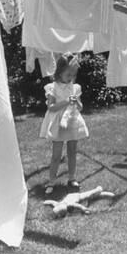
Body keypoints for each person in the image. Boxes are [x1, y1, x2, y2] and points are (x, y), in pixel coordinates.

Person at [40, 53, 89, 195]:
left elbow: (80, 108)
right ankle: (51, 181)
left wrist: (76, 101)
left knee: (72, 151)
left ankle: (72, 177)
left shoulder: (75, 87)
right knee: (56, 154)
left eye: (73, 75)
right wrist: (66, 101)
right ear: (59, 72)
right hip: (58, 123)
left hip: (72, 120)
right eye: (68, 74)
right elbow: (51, 107)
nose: (71, 78)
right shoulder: (53, 87)